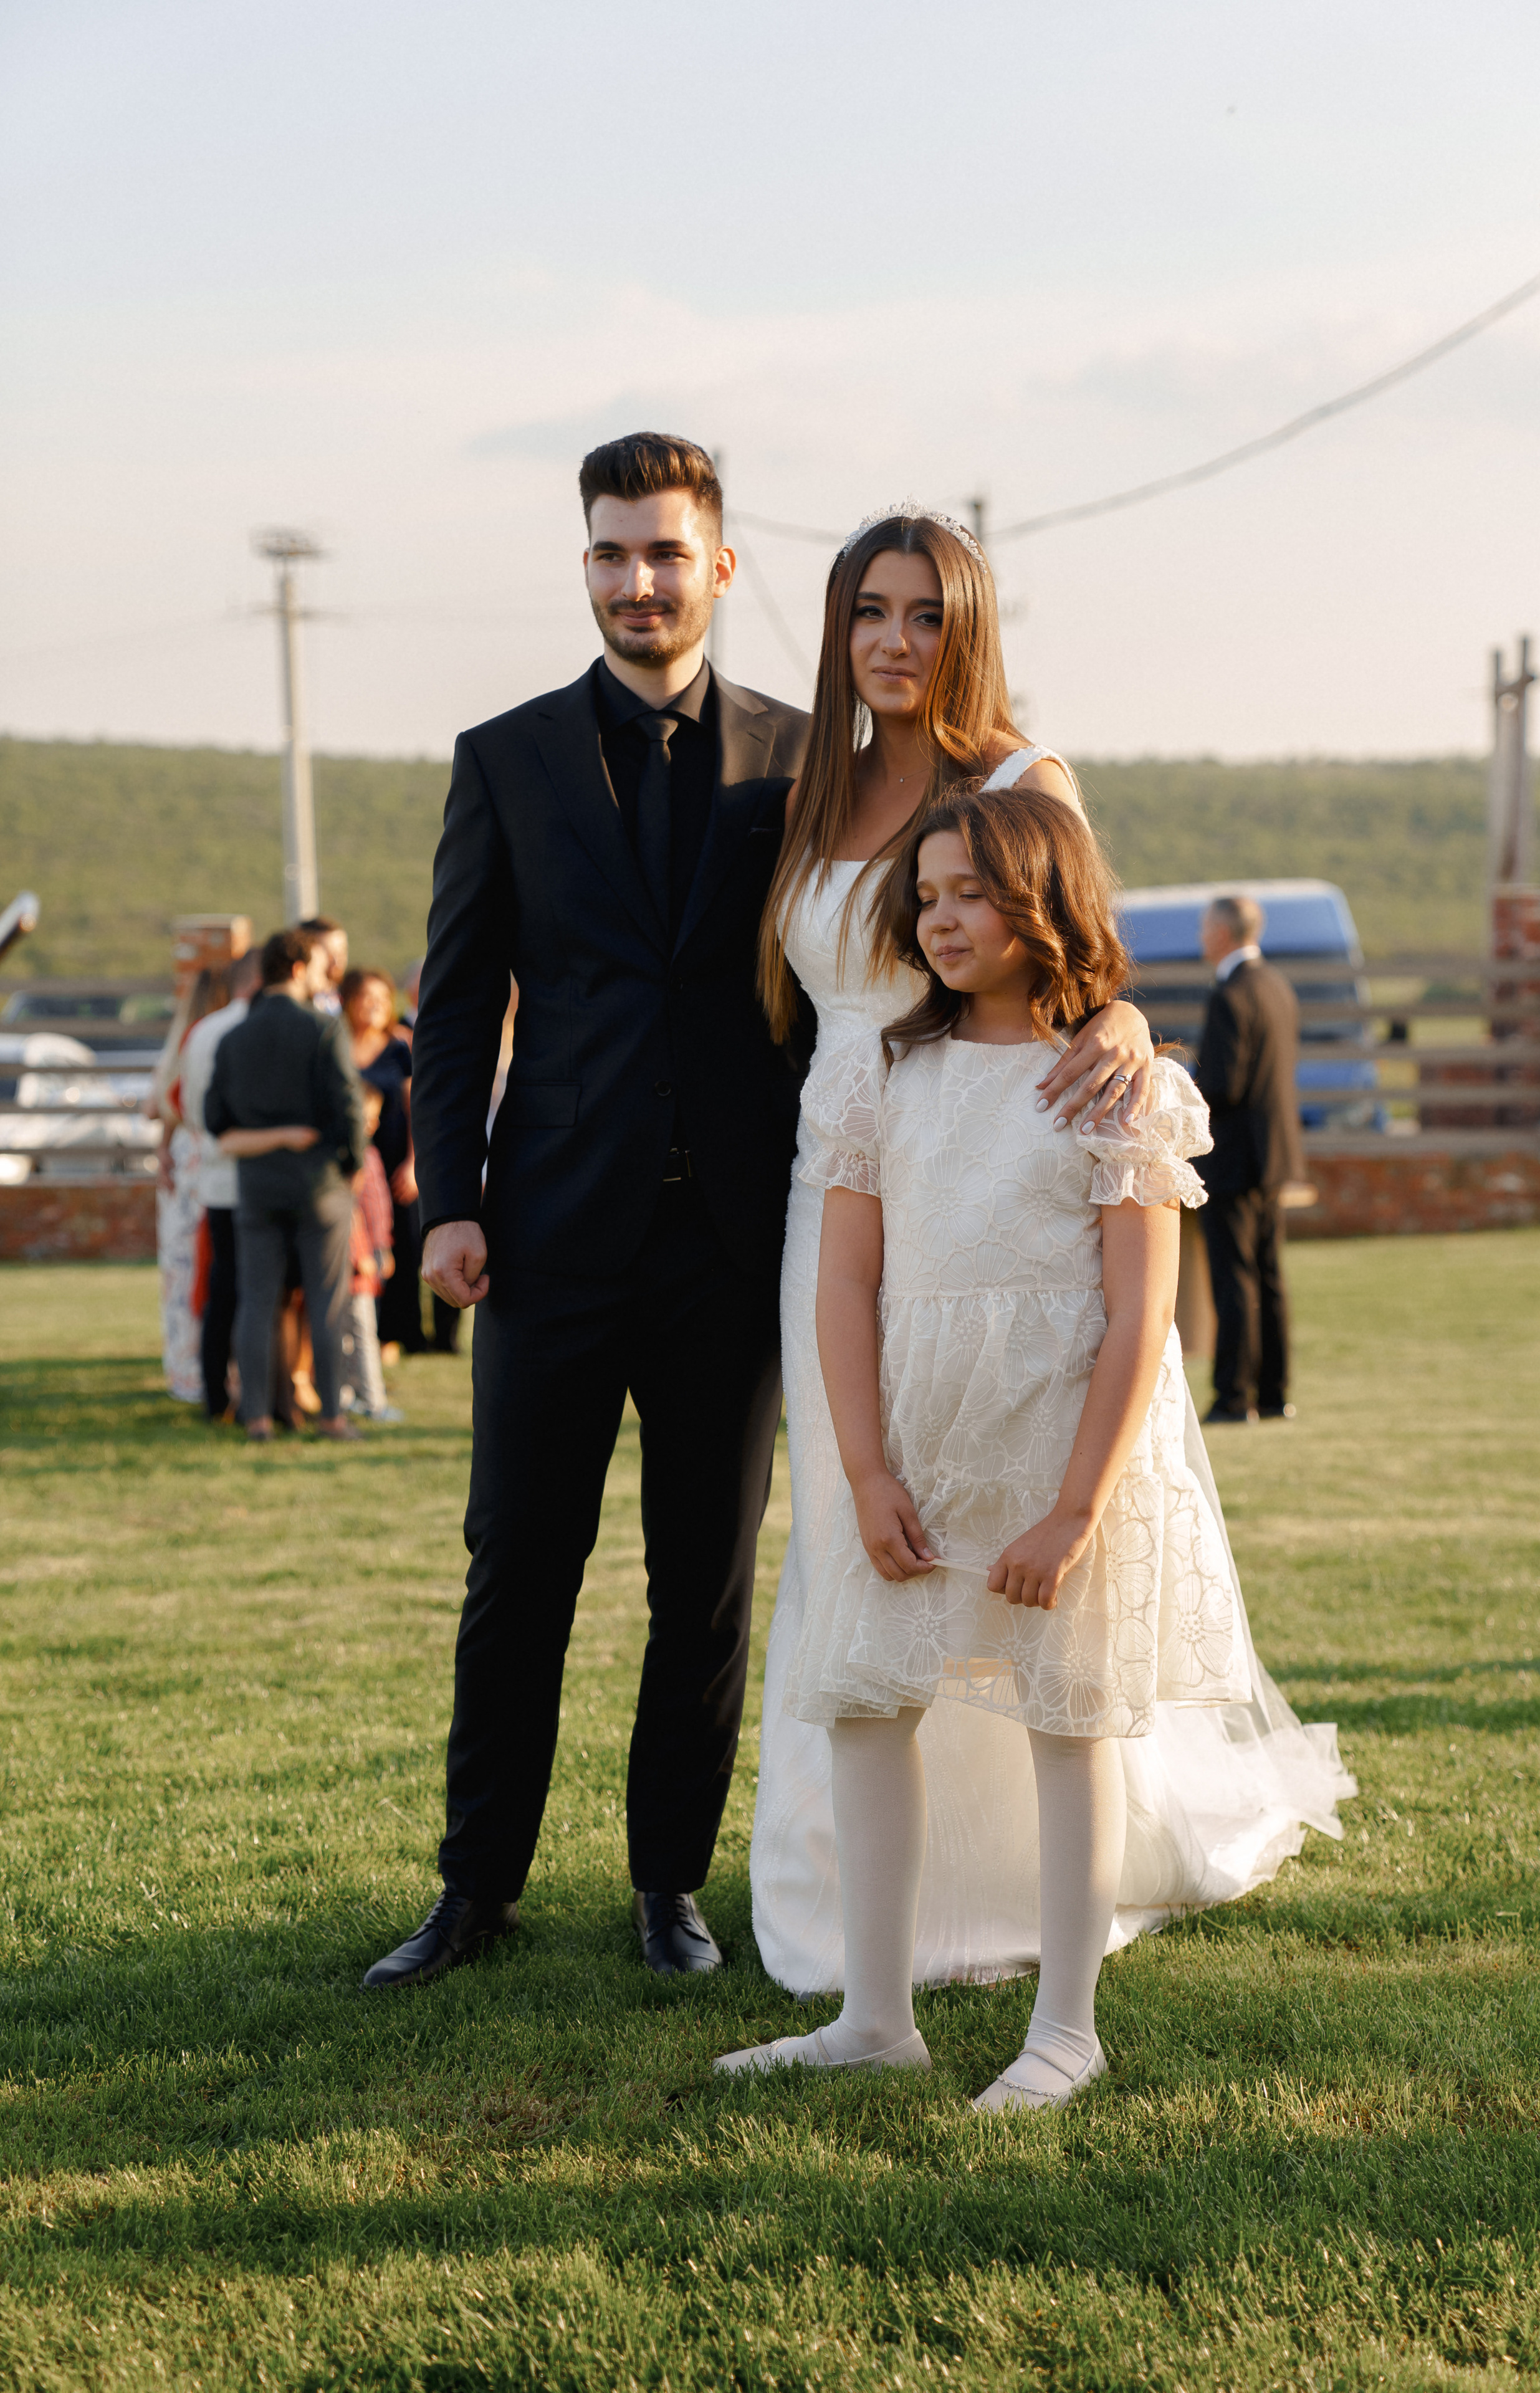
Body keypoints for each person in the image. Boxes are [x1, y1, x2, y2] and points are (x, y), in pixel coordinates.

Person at [366, 437, 1152, 1997]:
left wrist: (1115, 1020)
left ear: (721, 568)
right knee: (515, 1562)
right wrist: (444, 1201)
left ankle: (669, 1882)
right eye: (610, 554)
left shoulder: (805, 764)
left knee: (706, 1578)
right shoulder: (502, 759)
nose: (637, 579)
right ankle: (473, 1887)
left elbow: (996, 936)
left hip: (747, 1235)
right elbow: (454, 1006)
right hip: (543, 1231)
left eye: (665, 552)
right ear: (586, 568)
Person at [748, 504, 1353, 2000]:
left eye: (924, 614)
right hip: (848, 1172)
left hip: (999, 1168)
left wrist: (1136, 1027)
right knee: (860, 1531)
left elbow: (1081, 962)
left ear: (966, 626)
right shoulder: (803, 791)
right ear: (836, 632)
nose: (894, 641)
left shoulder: (1020, 779)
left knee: (1014, 1531)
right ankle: (858, 1925)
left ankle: (1023, 1892)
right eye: (867, 613)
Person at [205, 927, 368, 1443]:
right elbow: (349, 1107)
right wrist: (353, 1164)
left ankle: (256, 1417)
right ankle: (332, 1418)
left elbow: (215, 1117)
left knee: (257, 1302)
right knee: (326, 1302)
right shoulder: (324, 1028)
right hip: (320, 1183)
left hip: (256, 1186)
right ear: (298, 969)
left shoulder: (234, 1038)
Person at [1193, 896, 1303, 1425]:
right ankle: (1275, 1392)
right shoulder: (1277, 987)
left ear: (1222, 933)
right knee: (1270, 1276)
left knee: (1234, 1278)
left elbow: (1222, 1084)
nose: (1201, 935)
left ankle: (1234, 1397)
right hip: (1275, 1157)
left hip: (1233, 1160)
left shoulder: (1229, 996)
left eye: (1205, 926)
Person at [178, 947, 263, 1420]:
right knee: (259, 1294)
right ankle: (259, 1396)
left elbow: (193, 1110)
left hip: (215, 1179)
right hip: (253, 1178)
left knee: (221, 1290)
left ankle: (214, 1395)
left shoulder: (201, 1031)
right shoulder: (250, 1029)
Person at [150, 966, 232, 1404]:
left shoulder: (177, 1044)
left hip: (181, 1154)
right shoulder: (214, 1039)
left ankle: (184, 1369)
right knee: (211, 1262)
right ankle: (215, 1369)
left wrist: (164, 1146)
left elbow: (158, 1105)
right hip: (209, 1153)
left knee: (180, 1271)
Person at [341, 967, 427, 1356]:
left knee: (404, 1247)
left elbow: (416, 1109)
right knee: (358, 1249)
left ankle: (395, 1334)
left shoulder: (400, 1046)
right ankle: (358, 1331)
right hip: (348, 1163)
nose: (375, 1006)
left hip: (395, 1161)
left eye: (382, 998)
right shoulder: (336, 1044)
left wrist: (413, 1162)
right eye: (366, 998)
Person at [342, 1084, 402, 1423]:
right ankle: (372, 1400)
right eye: (367, 1119)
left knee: (355, 1329)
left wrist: (384, 1247)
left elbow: (379, 1210)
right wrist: (363, 1253)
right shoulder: (352, 1161)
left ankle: (349, 1393)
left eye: (375, 1119)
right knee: (361, 1332)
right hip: (354, 1260)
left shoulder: (370, 1154)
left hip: (368, 1254)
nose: (373, 1125)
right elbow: (351, 1210)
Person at [300, 916, 348, 1016]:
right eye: (328, 953)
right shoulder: (298, 1000)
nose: (337, 961)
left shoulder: (352, 994)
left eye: (341, 952)